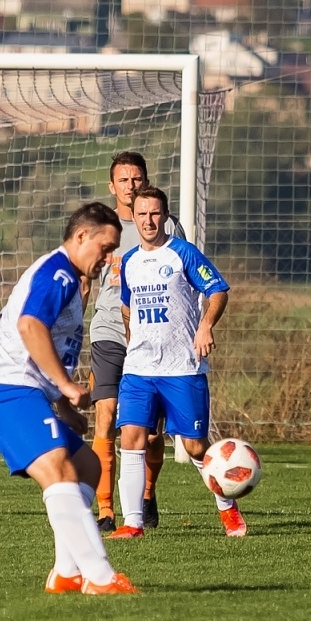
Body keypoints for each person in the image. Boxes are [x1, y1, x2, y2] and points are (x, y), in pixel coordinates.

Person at [0, 202, 137, 595]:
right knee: (59, 470)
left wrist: (61, 405)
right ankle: (101, 577)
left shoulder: (72, 282)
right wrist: (66, 386)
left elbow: (50, 347)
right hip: (3, 390)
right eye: (105, 248)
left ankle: (66, 573)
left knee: (86, 465)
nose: (108, 258)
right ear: (81, 237)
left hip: (22, 393)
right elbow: (30, 326)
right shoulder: (58, 272)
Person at [107, 185, 241, 538]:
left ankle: (227, 509)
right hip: (139, 370)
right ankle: (133, 523)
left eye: (155, 213)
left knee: (195, 446)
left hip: (182, 366)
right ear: (133, 218)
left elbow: (218, 290)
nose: (149, 221)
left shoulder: (182, 253)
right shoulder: (131, 262)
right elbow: (126, 306)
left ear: (165, 216)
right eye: (142, 214)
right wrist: (133, 339)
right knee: (132, 438)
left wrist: (205, 326)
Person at [86, 151, 186, 532]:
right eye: (123, 180)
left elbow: (186, 279)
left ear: (145, 181)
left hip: (153, 337)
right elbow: (83, 278)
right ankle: (107, 509)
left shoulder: (169, 228)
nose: (131, 186)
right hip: (109, 330)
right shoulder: (100, 226)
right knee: (107, 414)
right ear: (112, 186)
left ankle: (146, 492)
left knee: (150, 432)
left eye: (137, 179)